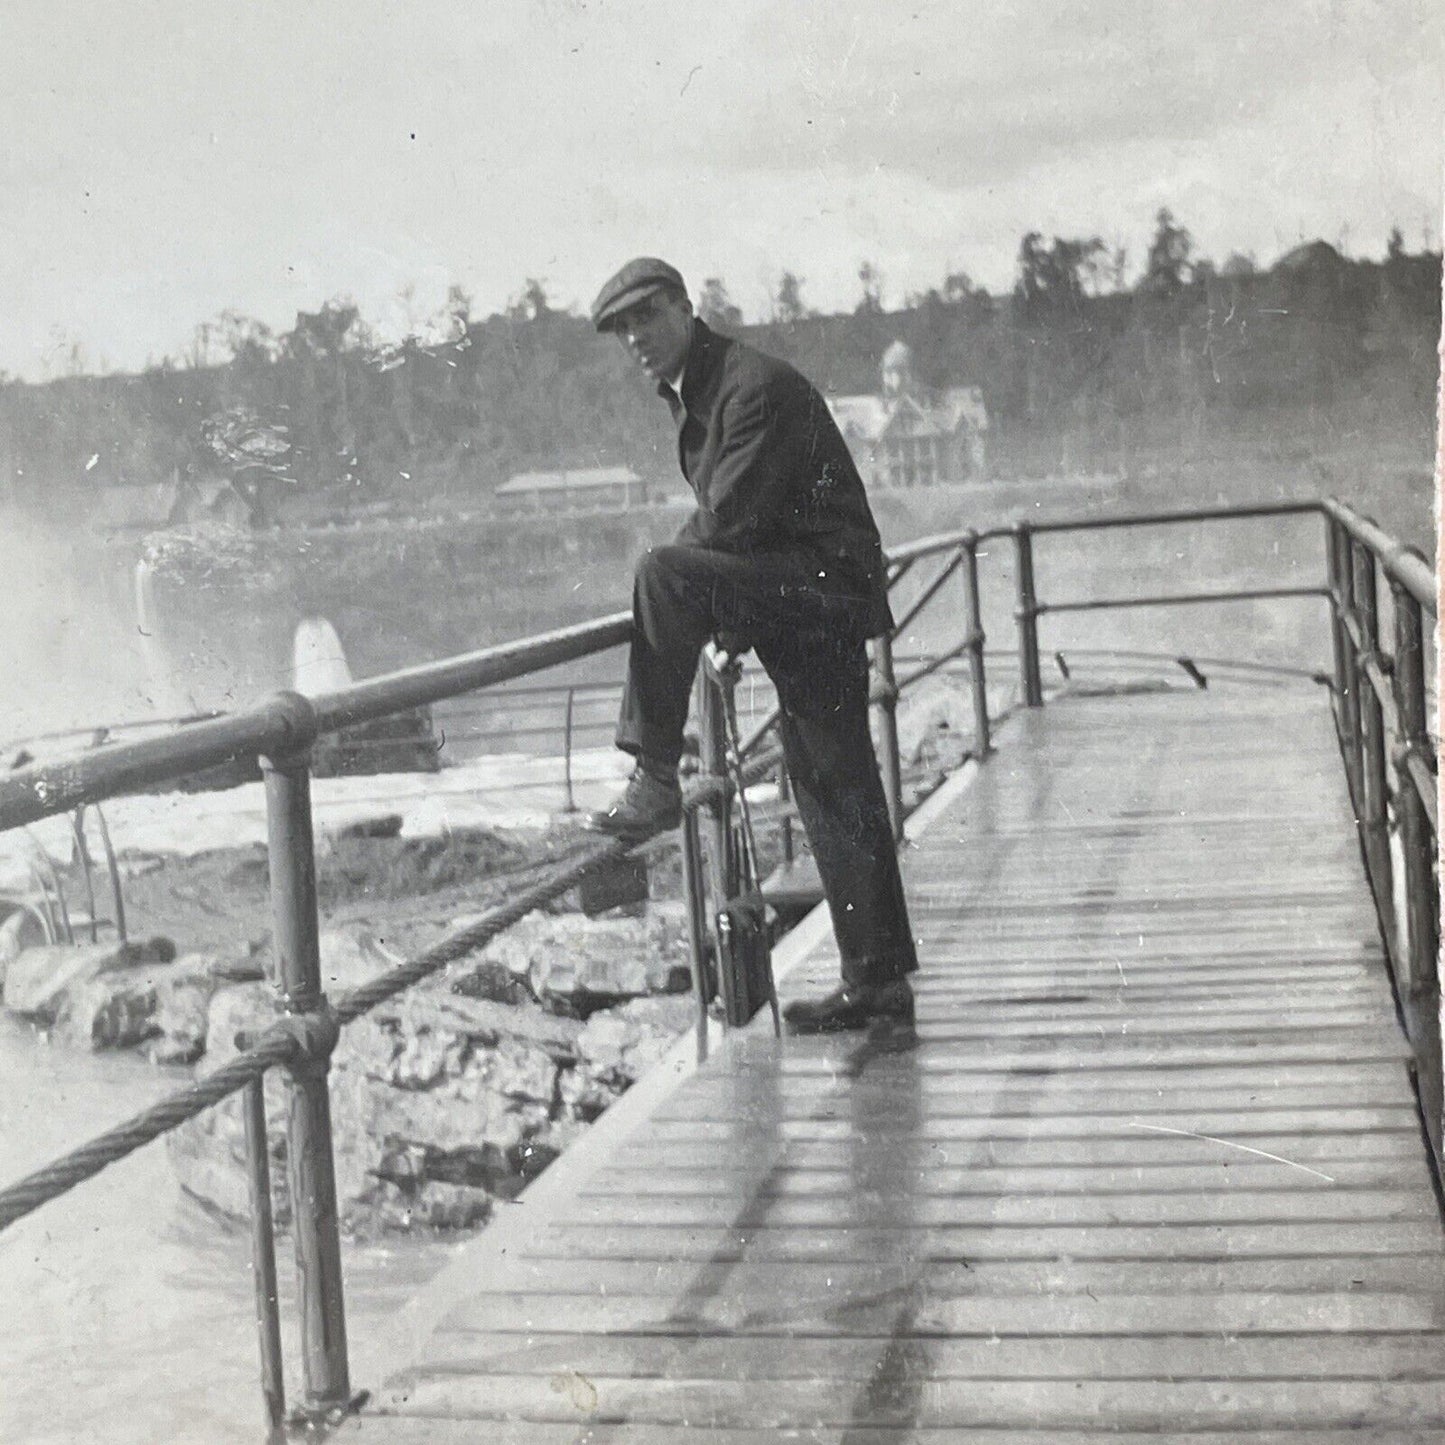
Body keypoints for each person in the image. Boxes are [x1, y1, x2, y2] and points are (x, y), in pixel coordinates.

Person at [584, 256, 917, 1033]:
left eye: (647, 318)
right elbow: (748, 523)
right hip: (811, 592)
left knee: (662, 573)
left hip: (818, 591)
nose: (635, 338)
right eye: (622, 329)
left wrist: (703, 608)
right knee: (831, 783)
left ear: (684, 309)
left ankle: (655, 773)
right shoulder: (703, 390)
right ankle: (878, 983)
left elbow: (729, 518)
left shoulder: (749, 386)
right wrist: (725, 620)